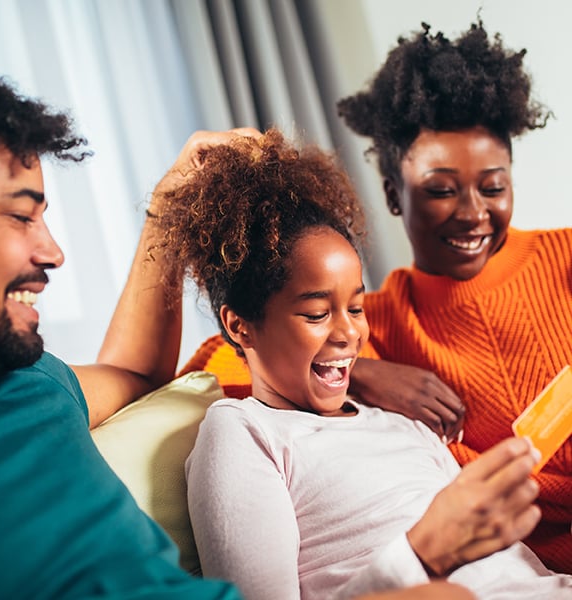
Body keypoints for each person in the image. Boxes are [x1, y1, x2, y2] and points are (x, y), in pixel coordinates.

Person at [179, 20, 572, 574]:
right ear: (394, 193)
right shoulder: (383, 323)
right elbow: (212, 365)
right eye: (439, 190)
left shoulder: (566, 258)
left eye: (494, 186)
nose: (472, 213)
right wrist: (364, 368)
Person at [0, 69, 248, 599]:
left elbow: (137, 371)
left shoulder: (27, 377)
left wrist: (167, 210)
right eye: (20, 216)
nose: (53, 253)